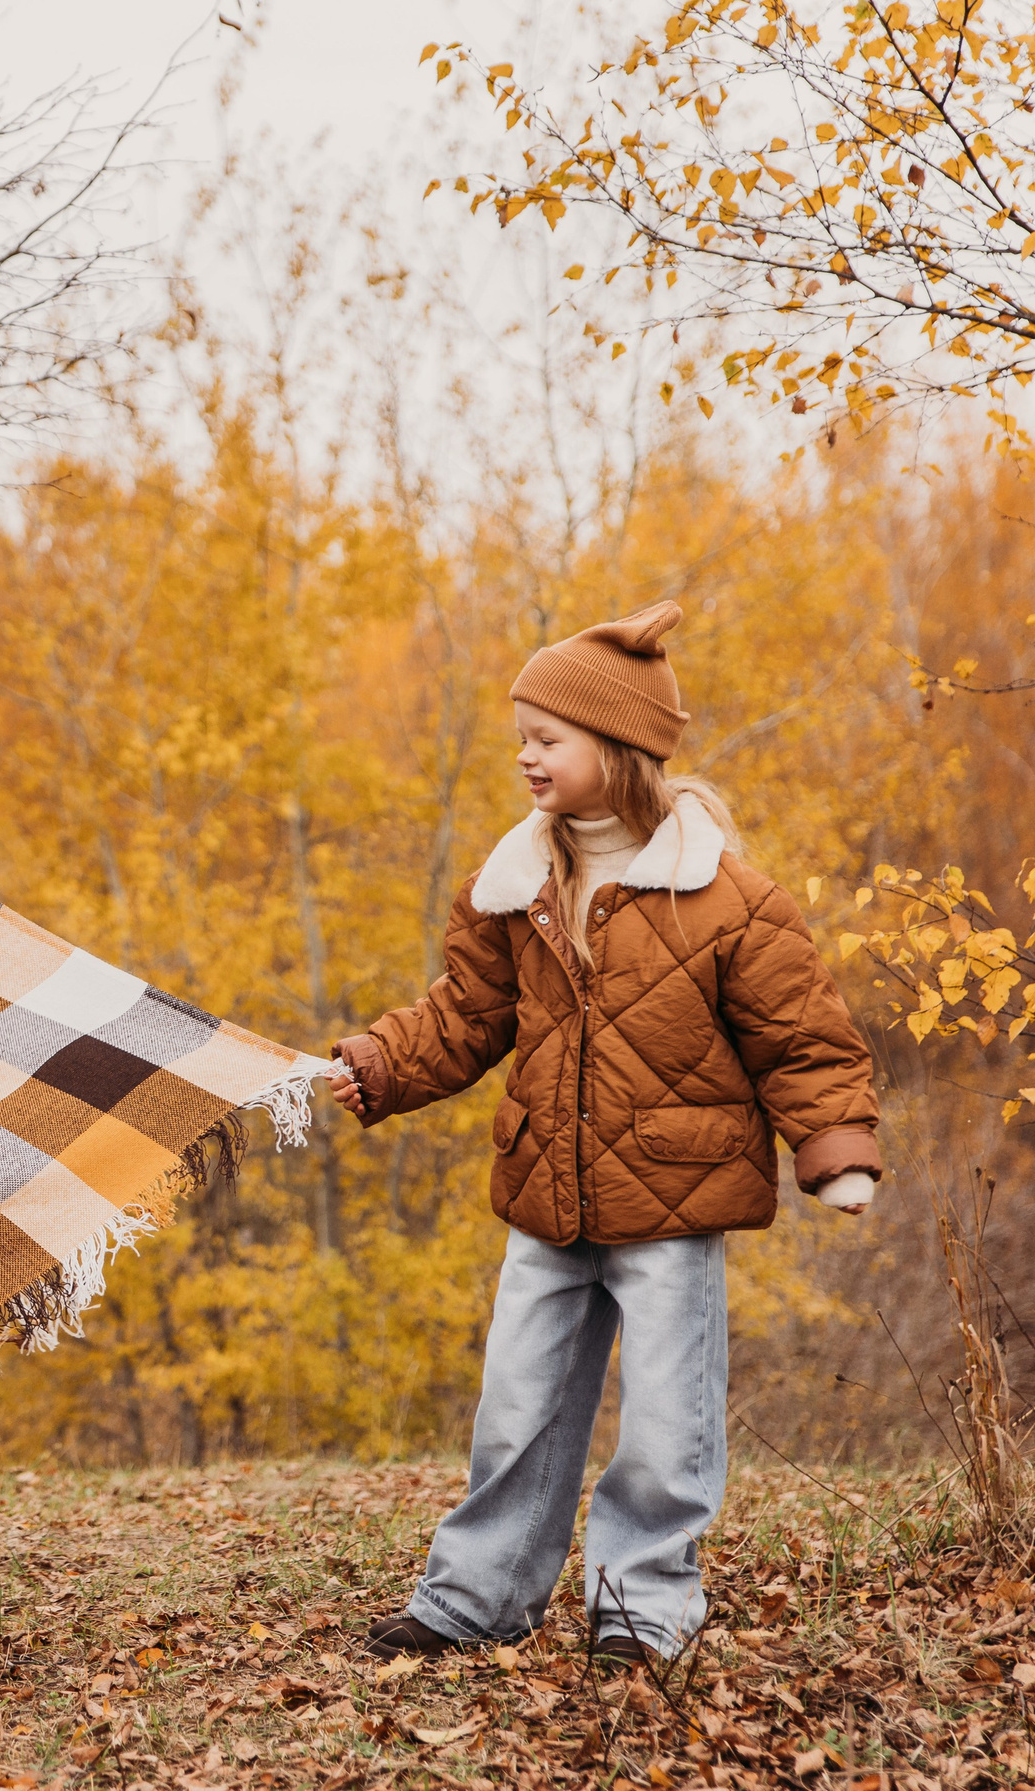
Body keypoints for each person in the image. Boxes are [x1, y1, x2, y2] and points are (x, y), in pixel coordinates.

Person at [327, 601, 879, 1666]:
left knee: (667, 1424)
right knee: (515, 1408)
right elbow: (466, 1012)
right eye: (522, 735)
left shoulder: (726, 900)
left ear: (619, 749)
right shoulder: (511, 886)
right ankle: (476, 1594)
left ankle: (641, 1604)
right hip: (546, 1188)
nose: (524, 755)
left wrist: (834, 1146)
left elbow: (802, 1037)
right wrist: (383, 1062)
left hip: (673, 1202)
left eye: (547, 737)